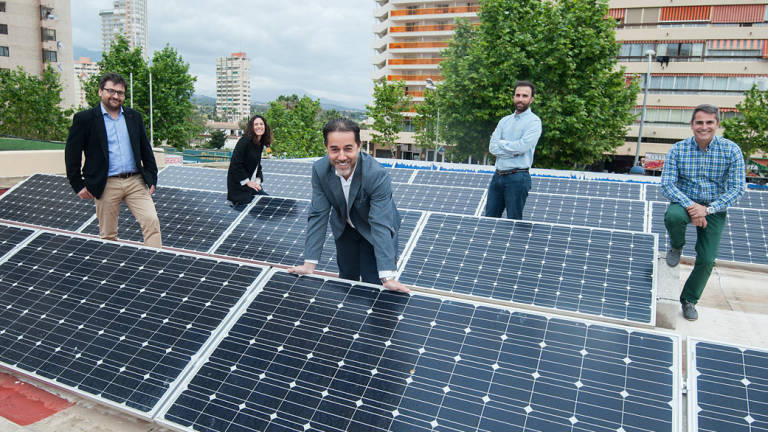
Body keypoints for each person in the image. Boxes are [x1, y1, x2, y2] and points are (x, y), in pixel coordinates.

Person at [288, 119, 408, 293]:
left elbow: (380, 223)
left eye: (348, 149)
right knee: (346, 278)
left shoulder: (376, 174)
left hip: (373, 229)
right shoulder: (320, 170)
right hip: (345, 227)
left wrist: (387, 277)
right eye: (334, 149)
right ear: (326, 147)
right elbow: (318, 215)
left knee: (372, 281)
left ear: (359, 146)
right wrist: (309, 264)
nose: (342, 156)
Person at [661, 104, 745, 321]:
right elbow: (667, 185)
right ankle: (677, 246)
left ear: (717, 124)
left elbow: (738, 189)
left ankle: (689, 299)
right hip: (685, 203)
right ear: (691, 125)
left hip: (714, 207)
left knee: (707, 259)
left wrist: (707, 209)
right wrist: (693, 208)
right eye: (699, 122)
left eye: (709, 122)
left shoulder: (731, 150)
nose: (704, 127)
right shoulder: (678, 150)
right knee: (673, 216)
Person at [65, 72, 161, 248]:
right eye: (111, 91)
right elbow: (72, 153)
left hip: (135, 181)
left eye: (120, 93)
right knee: (108, 235)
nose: (116, 96)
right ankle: (111, 273)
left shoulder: (134, 117)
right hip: (105, 183)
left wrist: (152, 177)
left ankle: (155, 264)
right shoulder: (84, 119)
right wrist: (77, 184)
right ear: (100, 91)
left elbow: (146, 150)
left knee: (151, 222)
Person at [485, 80, 542, 219]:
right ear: (513, 97)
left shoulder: (534, 122)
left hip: (518, 178)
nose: (520, 99)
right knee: (488, 220)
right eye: (518, 95)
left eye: (524, 96)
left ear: (531, 99)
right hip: (497, 177)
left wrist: (502, 143)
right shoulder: (504, 121)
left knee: (513, 222)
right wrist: (513, 151)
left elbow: (523, 147)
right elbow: (492, 147)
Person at [227, 115, 272, 207]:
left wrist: (258, 181)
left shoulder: (259, 143)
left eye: (261, 124)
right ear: (251, 127)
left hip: (252, 186)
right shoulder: (245, 141)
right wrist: (248, 182)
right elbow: (236, 164)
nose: (259, 126)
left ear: (265, 127)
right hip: (240, 188)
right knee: (266, 206)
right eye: (256, 124)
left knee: (269, 204)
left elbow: (257, 165)